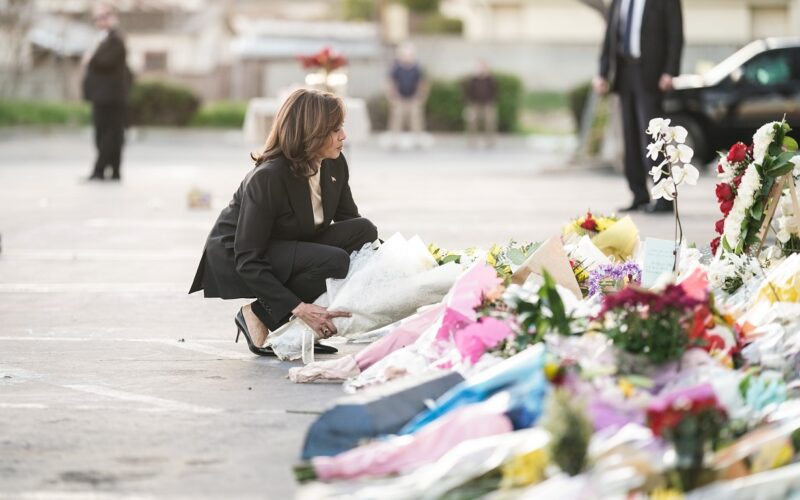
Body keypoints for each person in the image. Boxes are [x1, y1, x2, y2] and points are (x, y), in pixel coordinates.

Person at [189, 89, 379, 356]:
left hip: (287, 242)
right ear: (311, 132)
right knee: (334, 260)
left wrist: (392, 267)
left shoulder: (334, 164)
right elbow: (247, 257)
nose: (343, 136)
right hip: (239, 254)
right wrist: (299, 307)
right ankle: (259, 314)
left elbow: (351, 223)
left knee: (365, 231)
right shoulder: (269, 178)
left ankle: (285, 319)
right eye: (334, 129)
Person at [594, 0, 684, 213]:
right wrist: (602, 72)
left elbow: (676, 35)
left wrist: (670, 71)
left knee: (654, 139)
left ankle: (663, 198)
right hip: (625, 72)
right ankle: (639, 195)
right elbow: (610, 36)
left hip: (652, 75)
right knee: (630, 137)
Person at [82, 3, 131, 182]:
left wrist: (90, 58)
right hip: (102, 96)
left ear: (113, 17)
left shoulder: (116, 39)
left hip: (111, 96)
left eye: (104, 16)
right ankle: (109, 170)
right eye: (97, 17)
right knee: (105, 133)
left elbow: (106, 62)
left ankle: (102, 169)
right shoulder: (102, 39)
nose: (100, 21)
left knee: (111, 134)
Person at [387, 43, 428, 146]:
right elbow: (391, 83)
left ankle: (417, 140)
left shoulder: (417, 68)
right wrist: (394, 97)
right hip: (400, 98)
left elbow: (422, 83)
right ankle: (394, 140)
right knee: (397, 116)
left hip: (413, 98)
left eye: (409, 54)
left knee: (416, 117)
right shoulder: (396, 68)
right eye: (404, 54)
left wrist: (420, 96)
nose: (407, 56)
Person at [463, 59, 498, 148]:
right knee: (472, 123)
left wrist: (492, 101)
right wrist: (469, 104)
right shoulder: (473, 79)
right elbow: (468, 91)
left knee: (489, 123)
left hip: (487, 104)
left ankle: (490, 141)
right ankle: (472, 141)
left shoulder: (490, 79)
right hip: (474, 104)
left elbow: (495, 91)